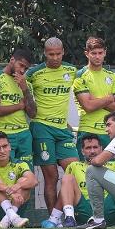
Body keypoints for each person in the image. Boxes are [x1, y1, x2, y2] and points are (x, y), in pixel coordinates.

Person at [26, 37, 79, 213]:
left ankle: (70, 214)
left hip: (63, 129)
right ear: (44, 53)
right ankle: (53, 220)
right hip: (42, 127)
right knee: (52, 177)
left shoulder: (72, 71)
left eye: (58, 54)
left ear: (63, 52)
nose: (55, 58)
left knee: (75, 172)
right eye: (51, 54)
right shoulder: (34, 74)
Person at [41, 134, 115, 228]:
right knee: (67, 178)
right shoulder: (75, 166)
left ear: (101, 149)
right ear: (82, 151)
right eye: (88, 148)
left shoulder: (114, 165)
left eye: (95, 147)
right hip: (84, 210)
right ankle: (69, 218)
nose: (92, 151)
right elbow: (64, 192)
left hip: (108, 210)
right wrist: (54, 218)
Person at [0, 48, 37, 170]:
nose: (22, 70)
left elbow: (32, 114)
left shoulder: (26, 84)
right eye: (21, 65)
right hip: (4, 135)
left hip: (24, 134)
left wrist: (25, 90)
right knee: (7, 174)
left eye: (26, 68)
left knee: (27, 174)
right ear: (12, 60)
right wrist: (19, 106)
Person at [73, 37, 115, 158]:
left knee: (109, 173)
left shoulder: (113, 76)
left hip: (109, 132)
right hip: (87, 131)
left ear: (105, 52)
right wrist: (108, 98)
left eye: (100, 53)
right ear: (87, 53)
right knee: (85, 172)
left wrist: (95, 100)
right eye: (93, 53)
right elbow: (88, 106)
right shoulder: (80, 75)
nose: (97, 56)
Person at [0, 131, 38, 229]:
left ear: (10, 147)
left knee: (24, 181)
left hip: (14, 207)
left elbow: (33, 180)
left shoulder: (20, 164)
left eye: (5, 146)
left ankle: (9, 218)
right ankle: (12, 217)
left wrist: (17, 186)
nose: (2, 151)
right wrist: (10, 191)